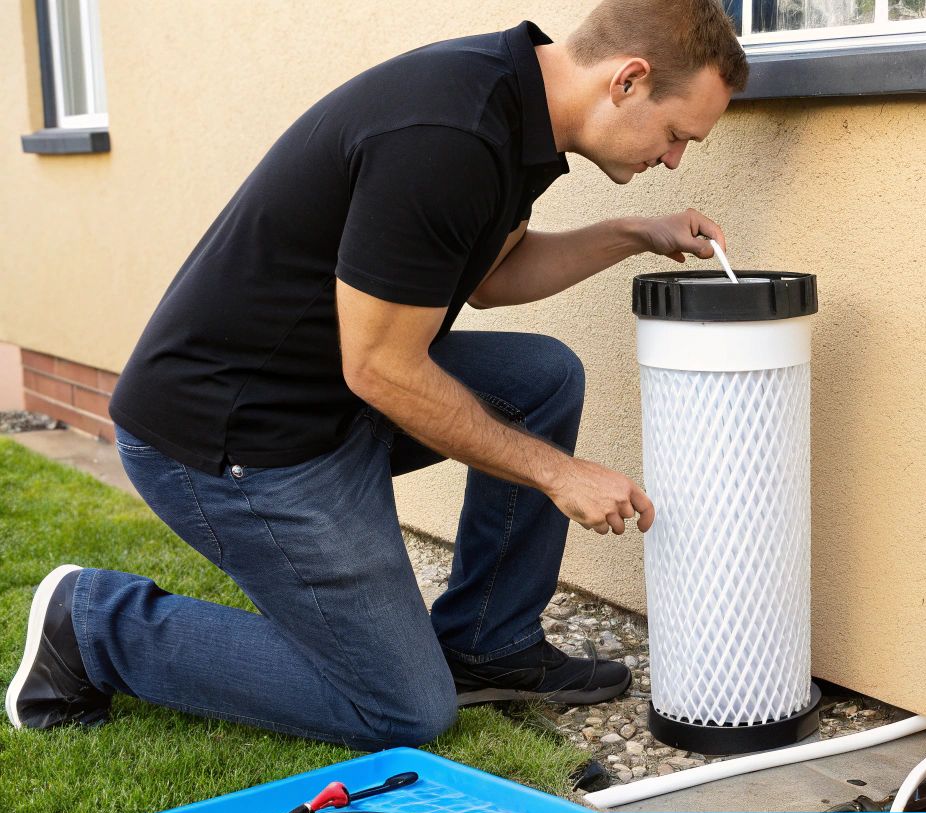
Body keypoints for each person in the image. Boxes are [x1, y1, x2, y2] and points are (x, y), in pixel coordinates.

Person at [5, 0, 747, 750]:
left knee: (541, 378)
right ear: (628, 80)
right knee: (404, 709)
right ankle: (93, 624)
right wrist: (560, 475)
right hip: (237, 440)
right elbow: (382, 369)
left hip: (322, 393)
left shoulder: (515, 110)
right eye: (678, 134)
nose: (676, 157)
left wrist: (633, 233)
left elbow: (490, 275)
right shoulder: (449, 138)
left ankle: (487, 645)